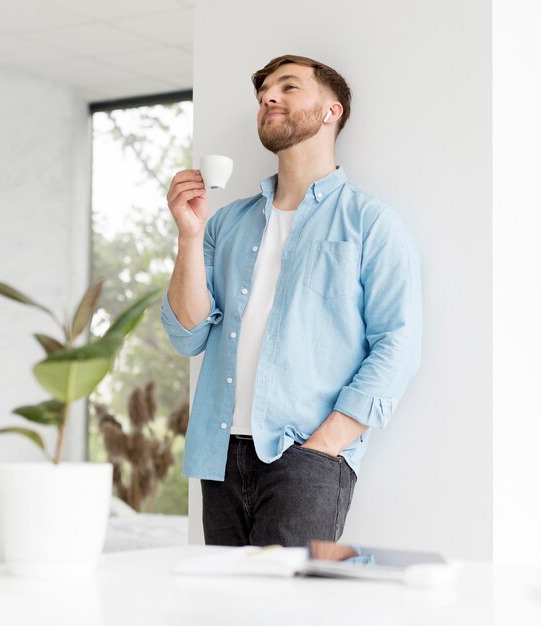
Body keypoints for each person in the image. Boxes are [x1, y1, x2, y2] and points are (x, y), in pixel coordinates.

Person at [161, 54, 422, 547]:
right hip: (219, 455)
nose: (268, 97)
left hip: (306, 457)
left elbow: (398, 345)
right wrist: (189, 237)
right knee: (228, 611)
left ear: (332, 111)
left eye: (288, 87)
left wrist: (323, 446)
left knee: (293, 610)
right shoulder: (225, 224)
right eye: (263, 92)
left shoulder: (369, 223)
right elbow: (187, 334)